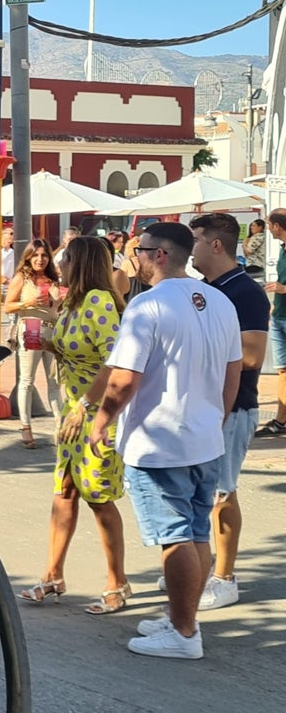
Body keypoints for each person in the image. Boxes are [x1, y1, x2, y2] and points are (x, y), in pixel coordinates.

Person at [87, 222, 240, 660]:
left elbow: (124, 379)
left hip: (161, 442)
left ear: (158, 254)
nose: (134, 257)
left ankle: (184, 630)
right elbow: (233, 374)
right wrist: (216, 417)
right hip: (203, 435)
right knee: (194, 531)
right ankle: (181, 615)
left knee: (175, 537)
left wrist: (100, 421)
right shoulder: (220, 300)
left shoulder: (147, 305)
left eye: (139, 250)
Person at [18, 236, 129, 613]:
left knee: (99, 499)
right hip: (72, 412)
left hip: (97, 413)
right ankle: (52, 574)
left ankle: (118, 582)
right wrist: (47, 343)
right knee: (64, 490)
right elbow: (75, 349)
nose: (58, 265)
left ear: (80, 263)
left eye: (65, 260)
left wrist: (85, 405)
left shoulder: (100, 301)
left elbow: (114, 361)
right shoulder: (72, 302)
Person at [189, 213, 269, 610]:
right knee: (200, 492)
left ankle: (225, 578)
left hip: (234, 407)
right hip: (204, 404)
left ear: (216, 244)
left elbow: (253, 355)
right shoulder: (205, 288)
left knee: (223, 491)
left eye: (197, 239)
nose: (192, 247)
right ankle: (201, 569)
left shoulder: (246, 292)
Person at [3, 238, 63, 448]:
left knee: (54, 380)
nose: (40, 259)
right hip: (31, 326)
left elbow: (59, 307)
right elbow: (7, 306)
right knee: (27, 380)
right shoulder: (22, 277)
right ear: (28, 257)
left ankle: (60, 426)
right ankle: (26, 427)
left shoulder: (54, 278)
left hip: (53, 328)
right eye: (36, 255)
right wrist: (26, 303)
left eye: (44, 255)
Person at [257, 208, 286, 437]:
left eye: (269, 225)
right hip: (280, 316)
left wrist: (282, 289)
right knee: (283, 370)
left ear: (278, 226)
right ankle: (281, 419)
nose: (268, 229)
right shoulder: (283, 249)